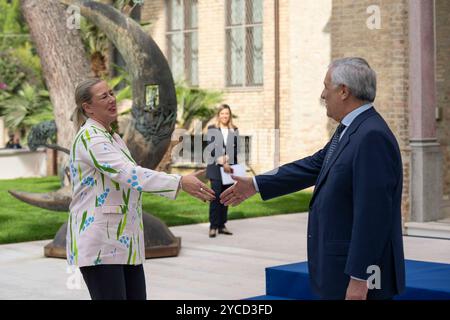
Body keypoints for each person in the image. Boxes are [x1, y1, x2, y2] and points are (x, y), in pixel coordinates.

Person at [220, 57, 405, 300]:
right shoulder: (352, 128)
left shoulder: (371, 136)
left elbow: (374, 215)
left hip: (357, 280)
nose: (322, 94)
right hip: (337, 272)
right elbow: (314, 165)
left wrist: (360, 279)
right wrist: (256, 184)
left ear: (343, 92)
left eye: (326, 87)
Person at [68, 78, 215, 300]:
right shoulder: (90, 137)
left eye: (111, 93)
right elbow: (130, 174)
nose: (112, 99)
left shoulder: (112, 136)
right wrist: (179, 182)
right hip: (101, 246)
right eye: (104, 96)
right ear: (87, 107)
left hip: (125, 243)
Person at [205, 104, 239, 238]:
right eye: (222, 113)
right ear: (218, 115)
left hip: (229, 169)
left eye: (227, 114)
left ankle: (222, 225)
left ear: (229, 115)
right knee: (215, 197)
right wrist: (222, 161)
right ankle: (213, 226)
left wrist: (227, 161)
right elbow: (211, 149)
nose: (225, 116)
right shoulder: (212, 129)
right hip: (215, 168)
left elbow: (236, 149)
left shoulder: (234, 130)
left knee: (226, 197)